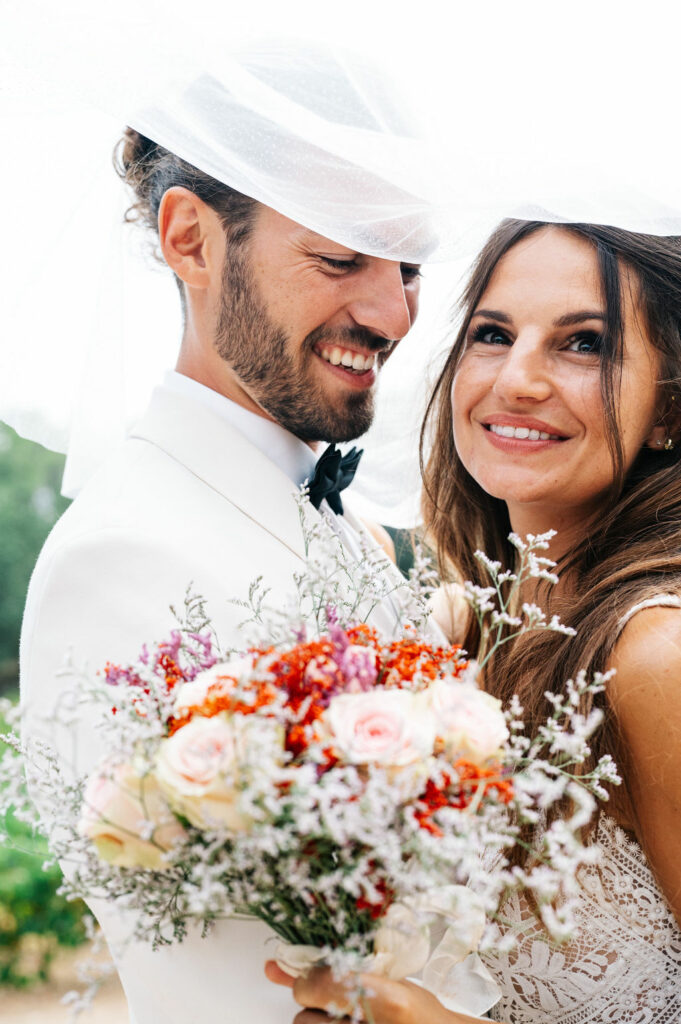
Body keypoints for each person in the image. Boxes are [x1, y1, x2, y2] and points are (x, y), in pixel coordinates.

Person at [19, 47, 434, 1024]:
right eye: (341, 256)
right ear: (192, 240)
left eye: (410, 265)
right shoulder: (117, 562)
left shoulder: (353, 527)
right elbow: (221, 983)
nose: (393, 312)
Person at [267, 220, 681, 1021]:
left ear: (668, 408)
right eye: (491, 334)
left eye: (584, 344)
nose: (516, 379)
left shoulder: (654, 656)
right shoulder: (452, 632)